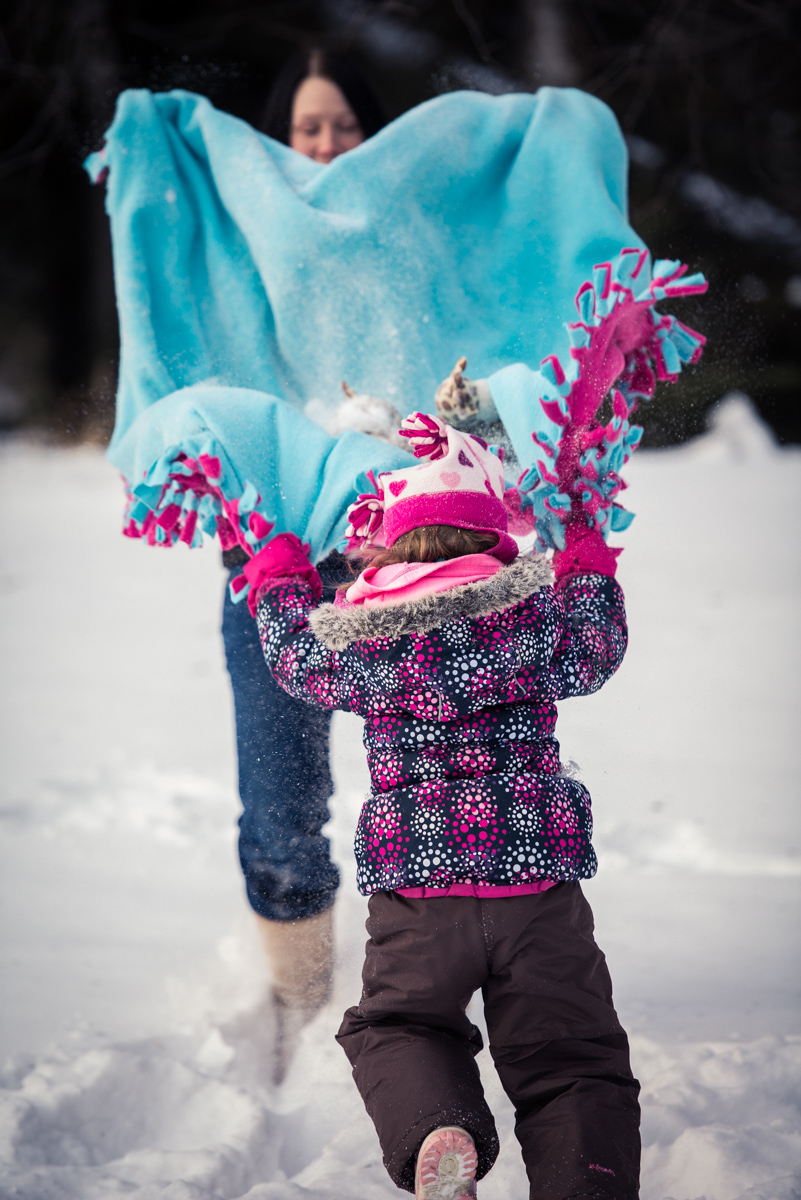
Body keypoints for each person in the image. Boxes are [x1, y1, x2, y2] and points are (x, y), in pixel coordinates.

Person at [245, 410, 641, 1198]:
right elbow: (597, 646)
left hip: (418, 892)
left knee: (399, 1027)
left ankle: (437, 1129)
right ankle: (585, 1180)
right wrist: (587, 560)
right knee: (570, 1057)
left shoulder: (366, 641)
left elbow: (293, 658)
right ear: (496, 543)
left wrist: (281, 576)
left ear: (388, 547)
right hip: (535, 886)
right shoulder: (532, 624)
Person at [220, 49, 388, 1080]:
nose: (323, 145)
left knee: (439, 779)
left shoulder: (411, 248)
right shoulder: (238, 252)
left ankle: (422, 988)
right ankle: (302, 993)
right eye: (305, 128)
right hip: (270, 560)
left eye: (343, 126)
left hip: (403, 556)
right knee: (280, 801)